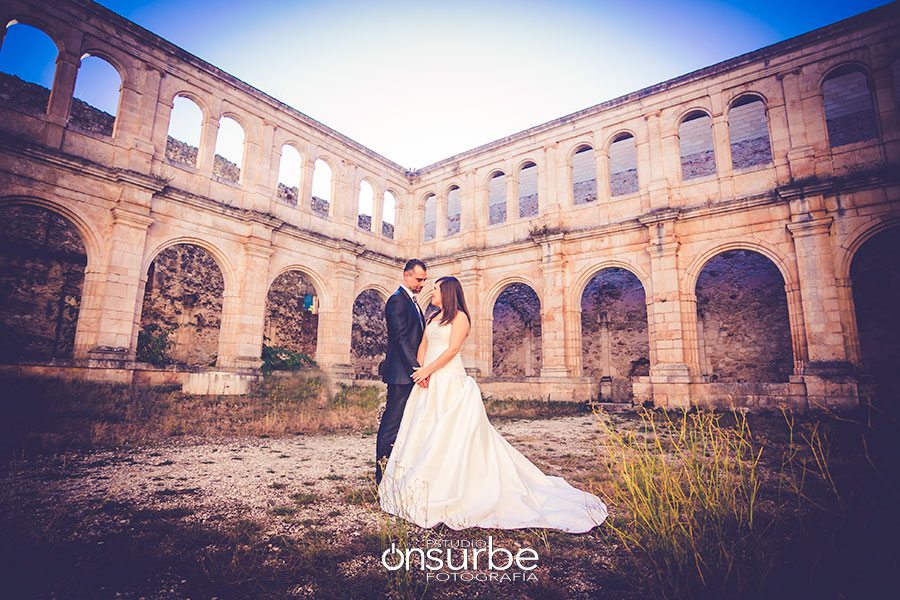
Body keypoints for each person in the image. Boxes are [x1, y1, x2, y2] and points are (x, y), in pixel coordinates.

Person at [377, 276, 608, 533]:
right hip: (427, 380)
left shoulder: (460, 317)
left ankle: (453, 486)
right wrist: (420, 371)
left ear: (448, 292)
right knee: (421, 430)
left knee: (449, 434)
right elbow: (423, 344)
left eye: (436, 289)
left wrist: (429, 370)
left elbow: (452, 350)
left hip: (448, 379)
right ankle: (418, 481)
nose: (432, 291)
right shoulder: (432, 317)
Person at [375, 258, 428, 485]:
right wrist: (417, 370)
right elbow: (400, 339)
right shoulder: (397, 301)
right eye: (419, 279)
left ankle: (398, 474)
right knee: (391, 424)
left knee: (407, 424)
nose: (422, 284)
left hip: (409, 373)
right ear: (406, 276)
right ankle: (382, 476)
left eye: (424, 280)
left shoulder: (413, 302)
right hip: (401, 375)